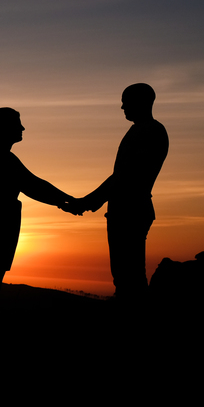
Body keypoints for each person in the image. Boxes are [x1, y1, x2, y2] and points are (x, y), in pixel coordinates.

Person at [65, 84, 168, 305]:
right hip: (125, 210)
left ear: (141, 102)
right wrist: (90, 202)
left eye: (125, 101)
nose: (122, 107)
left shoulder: (150, 131)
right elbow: (120, 176)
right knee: (124, 276)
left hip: (131, 211)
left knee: (129, 277)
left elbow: (125, 176)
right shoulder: (141, 130)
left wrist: (87, 202)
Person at [0, 108, 76, 305]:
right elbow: (33, 185)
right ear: (5, 128)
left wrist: (65, 201)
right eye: (17, 124)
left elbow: (32, 185)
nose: (23, 128)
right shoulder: (4, 159)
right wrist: (68, 200)